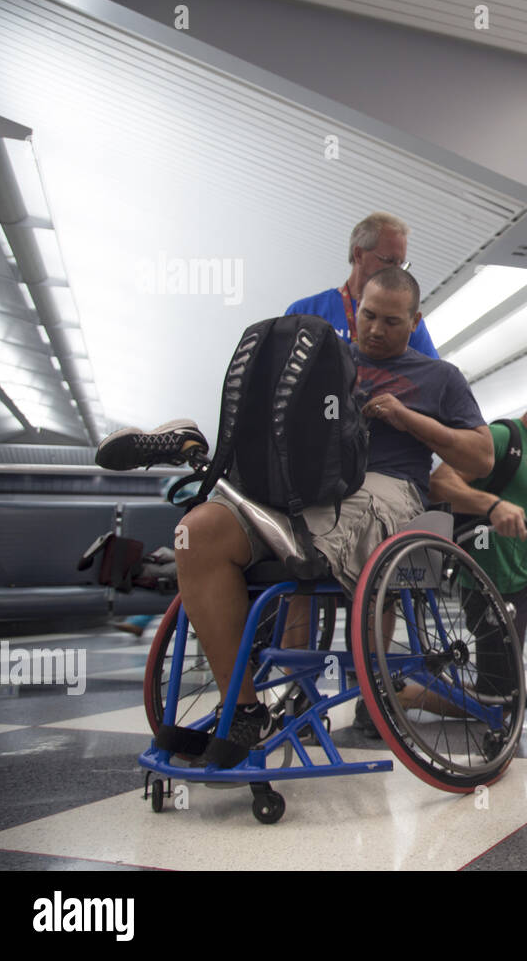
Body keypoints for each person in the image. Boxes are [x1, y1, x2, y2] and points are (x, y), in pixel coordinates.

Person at [102, 268, 492, 757]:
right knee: (198, 532)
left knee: (312, 530)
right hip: (304, 488)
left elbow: (481, 458)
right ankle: (243, 712)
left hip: (387, 488)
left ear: (416, 321)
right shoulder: (328, 361)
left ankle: (267, 520)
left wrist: (406, 418)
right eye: (368, 315)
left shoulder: (439, 378)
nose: (375, 329)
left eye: (392, 322)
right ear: (357, 309)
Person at [428, 368, 527, 686]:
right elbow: (440, 483)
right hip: (491, 583)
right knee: (501, 701)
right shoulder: (502, 437)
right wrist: (492, 505)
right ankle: (408, 696)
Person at [285, 212, 439, 358]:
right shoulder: (305, 311)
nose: (396, 272)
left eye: (401, 264)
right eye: (389, 261)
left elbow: (433, 377)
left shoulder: (405, 320)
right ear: (359, 254)